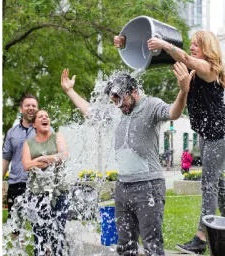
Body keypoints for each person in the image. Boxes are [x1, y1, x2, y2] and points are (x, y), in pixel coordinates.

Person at [60, 63, 192, 255]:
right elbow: (90, 112)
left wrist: (183, 91)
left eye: (121, 99)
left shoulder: (151, 105)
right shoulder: (117, 110)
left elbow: (174, 113)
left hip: (149, 186)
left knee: (152, 244)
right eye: (114, 101)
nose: (118, 105)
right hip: (123, 187)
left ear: (134, 91)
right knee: (125, 245)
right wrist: (70, 91)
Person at [146, 30, 225, 255]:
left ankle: (202, 237)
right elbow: (164, 57)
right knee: (217, 184)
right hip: (208, 133)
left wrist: (164, 43)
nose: (191, 48)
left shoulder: (209, 69)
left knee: (208, 185)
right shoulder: (192, 70)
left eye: (196, 45)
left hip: (218, 134)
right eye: (190, 44)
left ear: (207, 49)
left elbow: (186, 59)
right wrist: (125, 42)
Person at [21, 109, 69, 255]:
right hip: (37, 195)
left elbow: (64, 155)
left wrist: (40, 159)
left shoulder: (57, 136)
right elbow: (26, 165)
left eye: (47, 116)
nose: (45, 118)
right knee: (39, 237)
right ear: (34, 124)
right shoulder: (28, 143)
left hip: (59, 192)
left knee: (58, 235)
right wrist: (49, 160)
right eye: (41, 117)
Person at [2, 94, 38, 220]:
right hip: (15, 184)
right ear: (21, 109)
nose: (31, 108)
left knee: (39, 224)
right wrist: (0, 181)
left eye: (34, 106)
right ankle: (17, 240)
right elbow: (6, 157)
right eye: (27, 105)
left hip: (37, 185)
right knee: (15, 226)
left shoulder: (45, 129)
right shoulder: (11, 132)